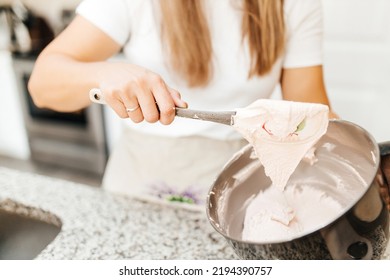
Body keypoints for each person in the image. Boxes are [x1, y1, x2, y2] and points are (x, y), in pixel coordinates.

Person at [28, 0, 337, 210]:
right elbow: (42, 86)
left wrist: (365, 161)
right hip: (141, 179)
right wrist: (104, 72)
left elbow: (311, 113)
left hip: (246, 182)